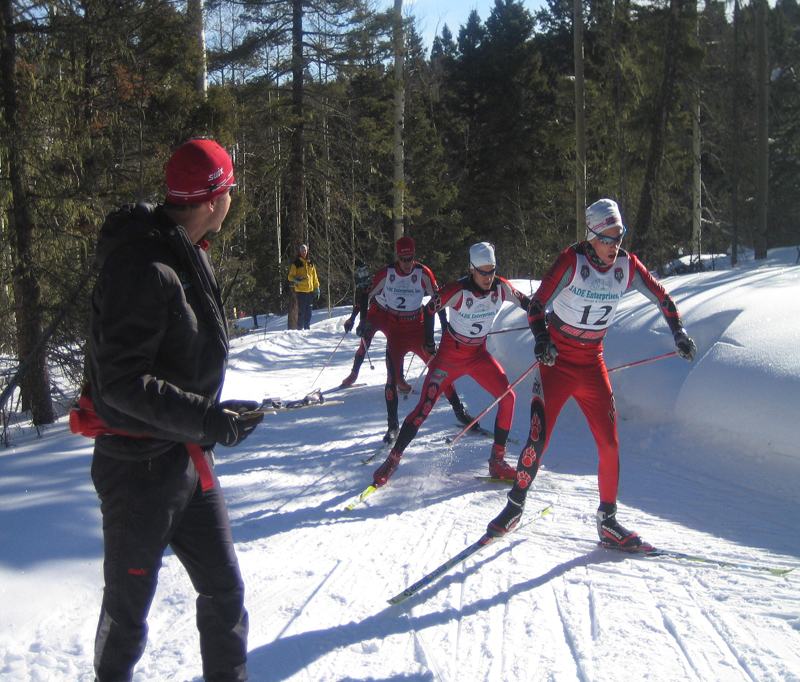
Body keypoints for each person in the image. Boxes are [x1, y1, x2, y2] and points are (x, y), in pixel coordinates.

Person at [80, 139, 263, 681]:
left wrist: (216, 415)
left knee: (224, 591)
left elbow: (178, 362)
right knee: (128, 609)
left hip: (184, 457)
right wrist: (207, 418)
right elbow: (121, 382)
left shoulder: (183, 248)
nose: (231, 199)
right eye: (229, 189)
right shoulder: (145, 266)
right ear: (213, 198)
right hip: (138, 472)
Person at [487, 198, 697, 549]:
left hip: (592, 365)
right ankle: (514, 508)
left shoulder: (626, 267)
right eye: (609, 238)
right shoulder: (573, 261)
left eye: (620, 237)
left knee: (610, 443)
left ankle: (608, 521)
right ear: (592, 234)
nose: (616, 246)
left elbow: (661, 296)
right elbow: (537, 304)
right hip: (557, 364)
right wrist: (542, 339)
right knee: (538, 438)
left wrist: (678, 332)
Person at [373, 242, 531, 486]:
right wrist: (428, 343)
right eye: (482, 271)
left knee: (508, 398)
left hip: (479, 357)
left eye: (491, 271)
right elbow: (428, 310)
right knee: (423, 409)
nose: (488, 277)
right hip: (448, 358)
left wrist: (546, 324)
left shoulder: (502, 288)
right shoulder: (457, 289)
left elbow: (529, 305)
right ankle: (394, 458)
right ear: (472, 269)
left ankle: (497, 461)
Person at [351, 237, 474, 443]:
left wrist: (445, 329)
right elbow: (365, 295)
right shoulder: (386, 273)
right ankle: (392, 426)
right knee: (391, 378)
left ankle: (460, 412)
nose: (407, 263)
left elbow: (438, 299)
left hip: (417, 328)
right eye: (403, 259)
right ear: (398, 257)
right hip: (396, 331)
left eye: (411, 258)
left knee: (439, 370)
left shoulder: (423, 273)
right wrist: (363, 321)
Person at [341, 259, 410, 393]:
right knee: (365, 340)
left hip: (390, 317)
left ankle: (399, 378)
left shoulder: (402, 284)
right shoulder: (380, 281)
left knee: (395, 346)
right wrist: (353, 319)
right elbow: (362, 301)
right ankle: (353, 374)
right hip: (374, 313)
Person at [287, 243, 320, 330]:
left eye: (304, 250)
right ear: (300, 252)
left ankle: (307, 328)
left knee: (308, 312)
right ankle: (299, 329)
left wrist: (317, 288)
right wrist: (295, 279)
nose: (303, 252)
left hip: (310, 291)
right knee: (301, 312)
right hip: (301, 291)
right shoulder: (296, 263)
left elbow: (315, 277)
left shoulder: (311, 263)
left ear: (307, 251)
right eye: (302, 251)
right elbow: (290, 276)